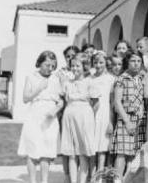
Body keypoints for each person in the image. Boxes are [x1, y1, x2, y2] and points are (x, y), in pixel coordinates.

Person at [18, 51, 63, 183]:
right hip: (34, 115)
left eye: (53, 66)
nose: (50, 68)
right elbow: (25, 98)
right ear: (40, 63)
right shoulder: (31, 77)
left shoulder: (56, 79)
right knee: (32, 150)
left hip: (50, 117)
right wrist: (39, 88)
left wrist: (55, 110)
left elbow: (61, 100)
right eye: (47, 65)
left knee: (46, 151)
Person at [59, 53, 96, 183]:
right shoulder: (68, 83)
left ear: (84, 66)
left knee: (83, 151)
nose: (74, 68)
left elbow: (95, 103)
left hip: (84, 116)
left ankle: (82, 180)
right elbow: (64, 98)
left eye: (78, 66)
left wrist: (90, 118)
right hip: (69, 115)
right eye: (73, 66)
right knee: (71, 152)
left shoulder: (89, 81)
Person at [111, 51, 147, 179]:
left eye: (138, 61)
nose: (136, 64)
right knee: (121, 153)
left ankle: (128, 180)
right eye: (133, 61)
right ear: (127, 62)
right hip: (125, 119)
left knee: (134, 154)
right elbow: (117, 102)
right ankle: (117, 179)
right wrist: (127, 121)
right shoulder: (122, 79)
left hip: (139, 120)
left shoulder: (142, 78)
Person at [89, 52, 116, 174]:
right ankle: (91, 174)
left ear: (106, 63)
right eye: (96, 62)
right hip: (91, 115)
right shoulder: (89, 79)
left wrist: (111, 121)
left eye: (101, 62)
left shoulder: (111, 79)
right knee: (91, 146)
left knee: (102, 147)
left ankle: (99, 176)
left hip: (105, 114)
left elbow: (111, 101)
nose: (98, 65)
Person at [58, 46, 80, 183]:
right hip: (65, 111)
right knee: (67, 147)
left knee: (79, 146)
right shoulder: (61, 73)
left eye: (74, 55)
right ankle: (67, 176)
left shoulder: (81, 71)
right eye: (68, 56)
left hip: (80, 113)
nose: (70, 58)